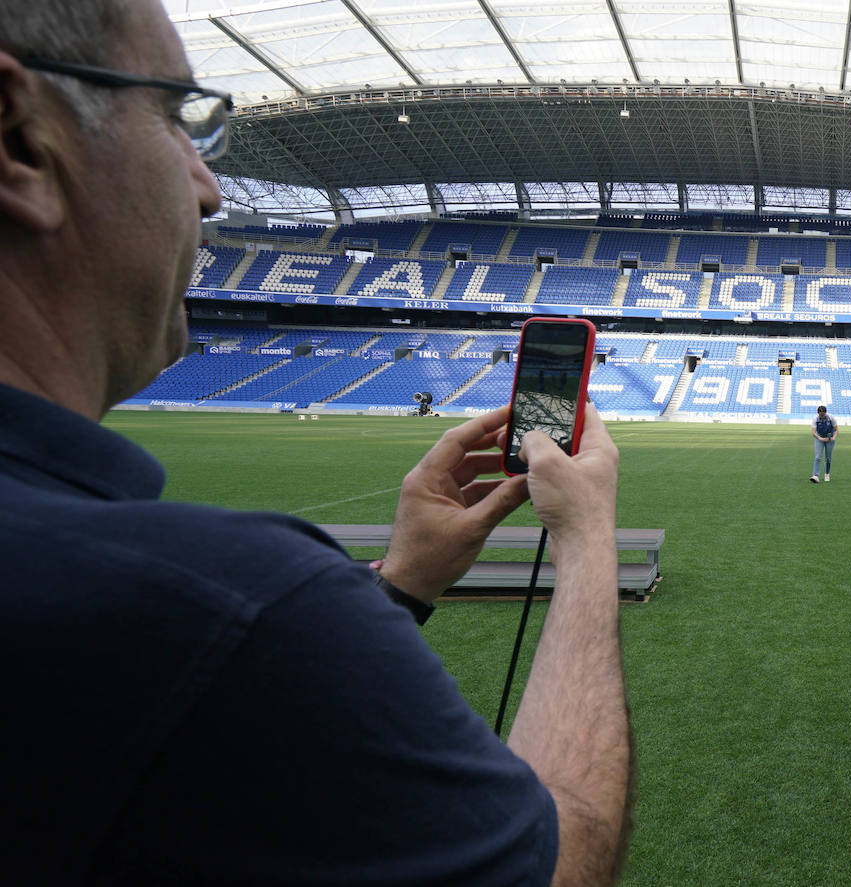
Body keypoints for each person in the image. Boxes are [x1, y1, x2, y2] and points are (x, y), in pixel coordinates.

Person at [0, 3, 632, 882]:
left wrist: (403, 581)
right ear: (21, 138)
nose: (209, 185)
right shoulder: (231, 606)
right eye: (175, 118)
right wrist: (589, 540)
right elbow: (561, 859)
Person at [810, 404, 837, 482]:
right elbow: (813, 432)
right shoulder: (815, 419)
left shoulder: (831, 418)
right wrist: (820, 438)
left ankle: (827, 474)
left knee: (828, 458)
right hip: (819, 438)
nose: (822, 417)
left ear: (825, 413)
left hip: (830, 439)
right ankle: (816, 475)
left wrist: (833, 438)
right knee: (818, 457)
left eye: (823, 415)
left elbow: (836, 430)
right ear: (818, 413)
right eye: (820, 415)